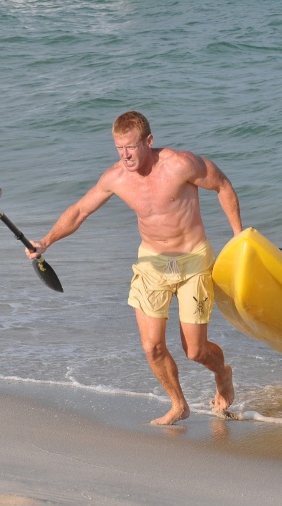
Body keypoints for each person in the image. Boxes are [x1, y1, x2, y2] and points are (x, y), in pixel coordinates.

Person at [26, 111, 243, 425]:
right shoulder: (116, 178)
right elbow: (80, 211)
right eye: (119, 148)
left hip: (193, 263)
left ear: (148, 141)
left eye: (130, 147)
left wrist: (237, 236)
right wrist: (46, 241)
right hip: (151, 265)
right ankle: (179, 405)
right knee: (152, 347)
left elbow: (222, 184)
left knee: (195, 351)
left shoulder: (180, 164)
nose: (125, 155)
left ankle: (223, 375)